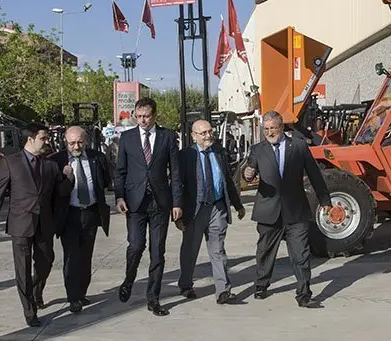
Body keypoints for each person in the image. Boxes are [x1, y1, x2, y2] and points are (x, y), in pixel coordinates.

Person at [243, 110, 332, 308]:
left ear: (282, 127)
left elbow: (315, 175)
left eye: (273, 128)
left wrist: (325, 200)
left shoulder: (298, 146)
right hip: (268, 211)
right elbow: (249, 172)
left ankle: (304, 294)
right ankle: (261, 284)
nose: (270, 132)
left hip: (295, 210)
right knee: (265, 252)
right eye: (266, 129)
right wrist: (248, 173)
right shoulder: (258, 149)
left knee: (300, 254)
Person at [0, 123, 62, 327]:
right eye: (44, 138)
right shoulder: (10, 162)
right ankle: (30, 312)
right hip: (20, 224)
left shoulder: (50, 165)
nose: (48, 142)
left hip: (44, 224)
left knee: (46, 262)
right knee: (23, 269)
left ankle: (36, 292)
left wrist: (68, 178)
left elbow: (58, 195)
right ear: (31, 139)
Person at [114, 97, 182, 316]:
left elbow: (176, 173)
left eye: (147, 116)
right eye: (139, 116)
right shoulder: (127, 138)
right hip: (135, 202)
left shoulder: (168, 137)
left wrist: (177, 202)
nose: (142, 120)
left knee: (157, 252)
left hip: (160, 202)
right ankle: (129, 279)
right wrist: (119, 197)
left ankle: (153, 298)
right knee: (135, 246)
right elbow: (120, 171)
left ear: (155, 116)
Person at [177, 119, 246, 304]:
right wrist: (177, 210)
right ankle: (186, 284)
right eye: (204, 133)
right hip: (195, 209)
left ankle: (223, 290)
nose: (209, 136)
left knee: (218, 249)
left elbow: (227, 181)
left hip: (217, 207)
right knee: (190, 249)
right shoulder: (185, 155)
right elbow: (177, 184)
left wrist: (237, 204)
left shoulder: (219, 152)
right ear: (193, 136)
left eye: (210, 132)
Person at [51, 126, 111, 314]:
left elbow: (106, 181)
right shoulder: (56, 161)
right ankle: (73, 297)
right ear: (65, 142)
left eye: (79, 142)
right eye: (71, 143)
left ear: (86, 140)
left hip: (91, 213)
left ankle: (82, 292)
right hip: (69, 215)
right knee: (71, 257)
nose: (76, 146)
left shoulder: (97, 158)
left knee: (86, 256)